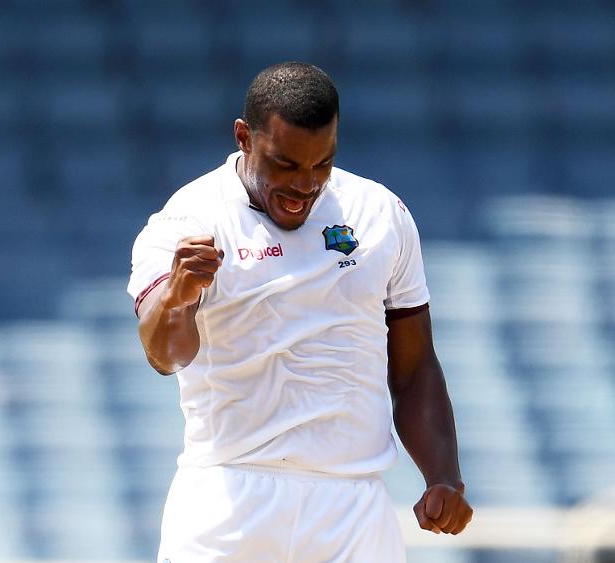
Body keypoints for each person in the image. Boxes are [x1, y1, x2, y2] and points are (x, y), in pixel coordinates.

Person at [128, 61, 472, 562]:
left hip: (353, 507)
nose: (305, 185)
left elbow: (415, 365)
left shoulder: (381, 214)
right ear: (244, 138)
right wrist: (177, 296)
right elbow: (166, 357)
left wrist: (443, 475)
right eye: (285, 164)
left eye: (322, 164)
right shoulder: (188, 220)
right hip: (229, 500)